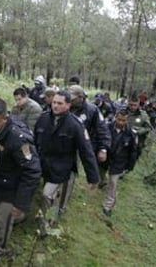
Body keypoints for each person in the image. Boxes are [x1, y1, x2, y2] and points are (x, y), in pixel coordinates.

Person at [34, 90, 99, 237]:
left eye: (59, 103)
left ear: (68, 105)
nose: (55, 106)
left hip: (61, 168)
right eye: (54, 102)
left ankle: (44, 227)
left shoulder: (75, 125)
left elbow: (86, 151)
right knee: (48, 195)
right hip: (43, 164)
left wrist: (93, 177)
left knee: (47, 195)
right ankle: (51, 213)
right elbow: (34, 140)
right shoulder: (43, 118)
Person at [0, 98, 41, 265]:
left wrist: (20, 202)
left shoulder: (18, 139)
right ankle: (17, 218)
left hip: (13, 187)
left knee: (4, 220)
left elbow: (33, 171)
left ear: (5, 118)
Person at [65, 85, 111, 200]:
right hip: (61, 143)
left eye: (73, 99)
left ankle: (64, 201)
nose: (70, 101)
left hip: (79, 146)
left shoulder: (92, 110)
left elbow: (103, 130)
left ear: (81, 97)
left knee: (70, 174)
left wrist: (103, 148)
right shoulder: (65, 105)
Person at [101, 109, 138, 217]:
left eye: (123, 120)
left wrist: (129, 166)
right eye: (119, 119)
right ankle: (101, 182)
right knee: (100, 176)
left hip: (119, 162)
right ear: (115, 117)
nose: (121, 122)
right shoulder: (106, 127)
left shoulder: (131, 134)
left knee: (113, 183)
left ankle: (108, 206)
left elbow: (133, 151)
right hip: (105, 158)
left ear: (127, 120)